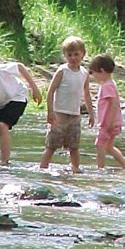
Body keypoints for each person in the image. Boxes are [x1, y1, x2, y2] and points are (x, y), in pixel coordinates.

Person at [40, 36, 94, 172]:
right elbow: (51, 91)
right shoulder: (62, 71)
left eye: (76, 54)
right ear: (64, 56)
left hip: (75, 115)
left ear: (83, 54)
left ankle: (75, 170)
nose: (73, 58)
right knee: (51, 146)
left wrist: (91, 113)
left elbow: (87, 95)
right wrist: (50, 111)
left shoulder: (84, 73)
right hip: (59, 114)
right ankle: (42, 169)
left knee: (74, 147)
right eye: (69, 55)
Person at [89, 54, 125, 169]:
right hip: (113, 122)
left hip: (108, 123)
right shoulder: (110, 84)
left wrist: (109, 123)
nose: (93, 76)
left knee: (100, 145)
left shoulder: (107, 86)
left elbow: (113, 105)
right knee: (108, 146)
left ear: (102, 71)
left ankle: (100, 168)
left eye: (93, 73)